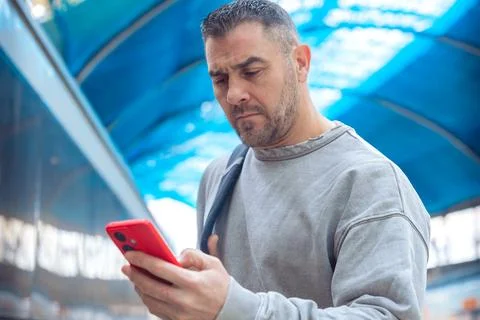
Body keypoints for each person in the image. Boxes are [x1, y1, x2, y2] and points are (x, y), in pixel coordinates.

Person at [120, 1, 431, 319]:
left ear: (300, 63)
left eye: (251, 72)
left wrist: (235, 308)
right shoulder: (218, 176)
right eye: (220, 79)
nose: (234, 94)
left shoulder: (370, 183)